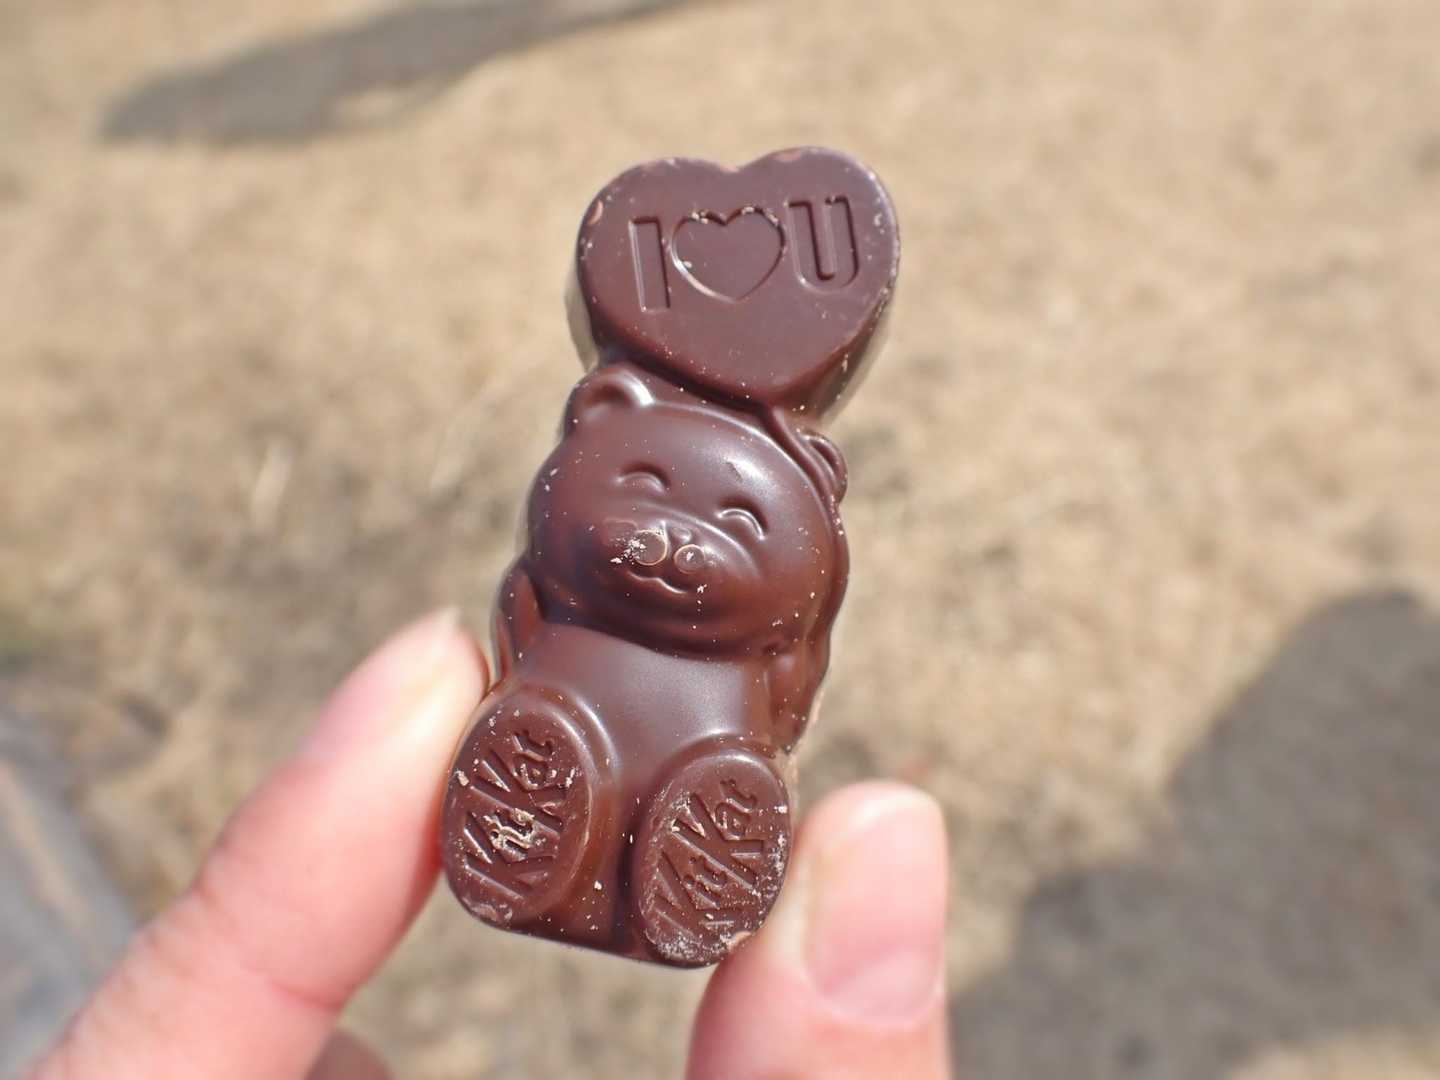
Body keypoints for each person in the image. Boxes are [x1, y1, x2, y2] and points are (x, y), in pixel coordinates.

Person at [30, 610, 950, 1078]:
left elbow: (795, 667)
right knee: (551, 742)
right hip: (573, 704)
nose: (676, 547)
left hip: (710, 733)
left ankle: (699, 837)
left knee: (704, 773)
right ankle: (540, 808)